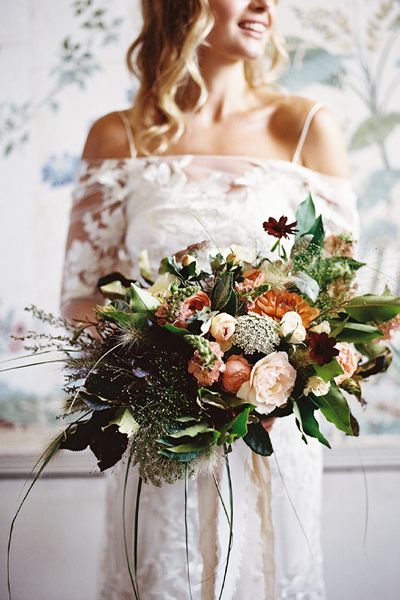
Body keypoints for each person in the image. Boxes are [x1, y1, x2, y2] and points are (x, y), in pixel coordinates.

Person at [60, 1, 359, 598]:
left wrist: (274, 365)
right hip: (161, 439)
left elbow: (343, 295)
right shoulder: (119, 135)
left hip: (272, 438)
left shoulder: (305, 128)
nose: (263, 4)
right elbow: (79, 300)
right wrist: (172, 359)